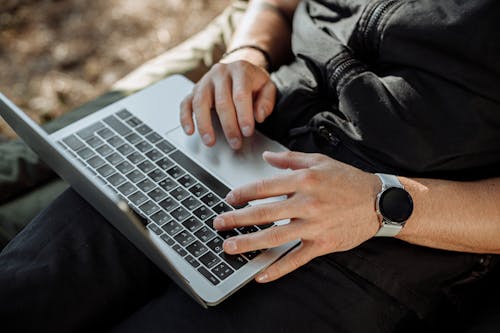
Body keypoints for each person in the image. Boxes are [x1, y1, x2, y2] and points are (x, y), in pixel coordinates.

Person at [1, 0, 499, 332]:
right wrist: (248, 53)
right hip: (233, 136)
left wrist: (381, 203)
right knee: (22, 292)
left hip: (375, 239)